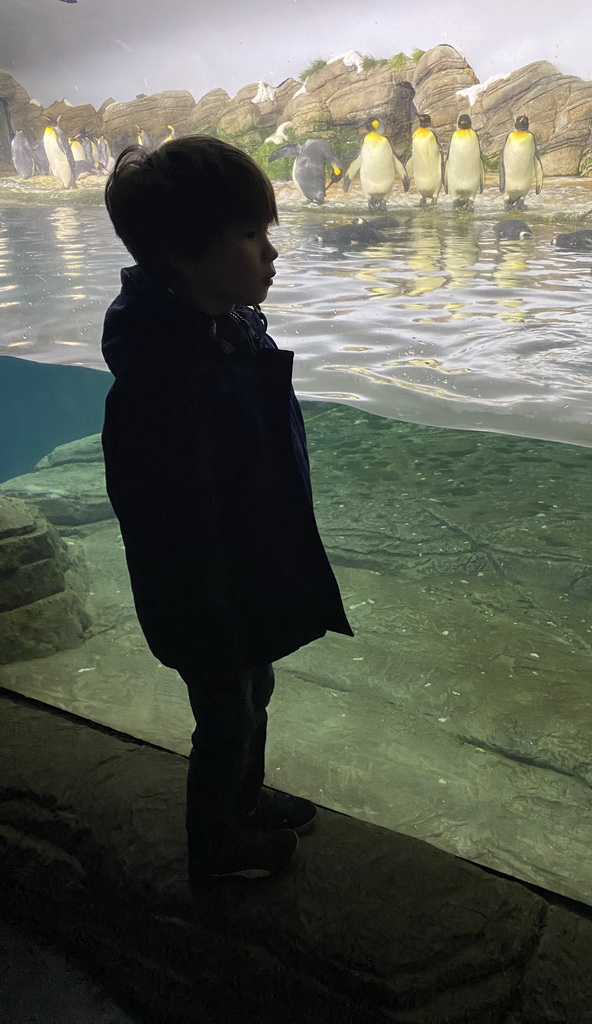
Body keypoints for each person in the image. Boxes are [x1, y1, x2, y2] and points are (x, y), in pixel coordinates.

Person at [100, 136, 353, 885]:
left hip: (241, 571)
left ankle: (243, 797)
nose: (270, 253)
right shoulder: (168, 375)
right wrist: (208, 613)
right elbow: (173, 517)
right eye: (250, 235)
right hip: (202, 590)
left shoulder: (224, 326)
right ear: (184, 252)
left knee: (256, 688)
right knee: (226, 709)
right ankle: (215, 844)